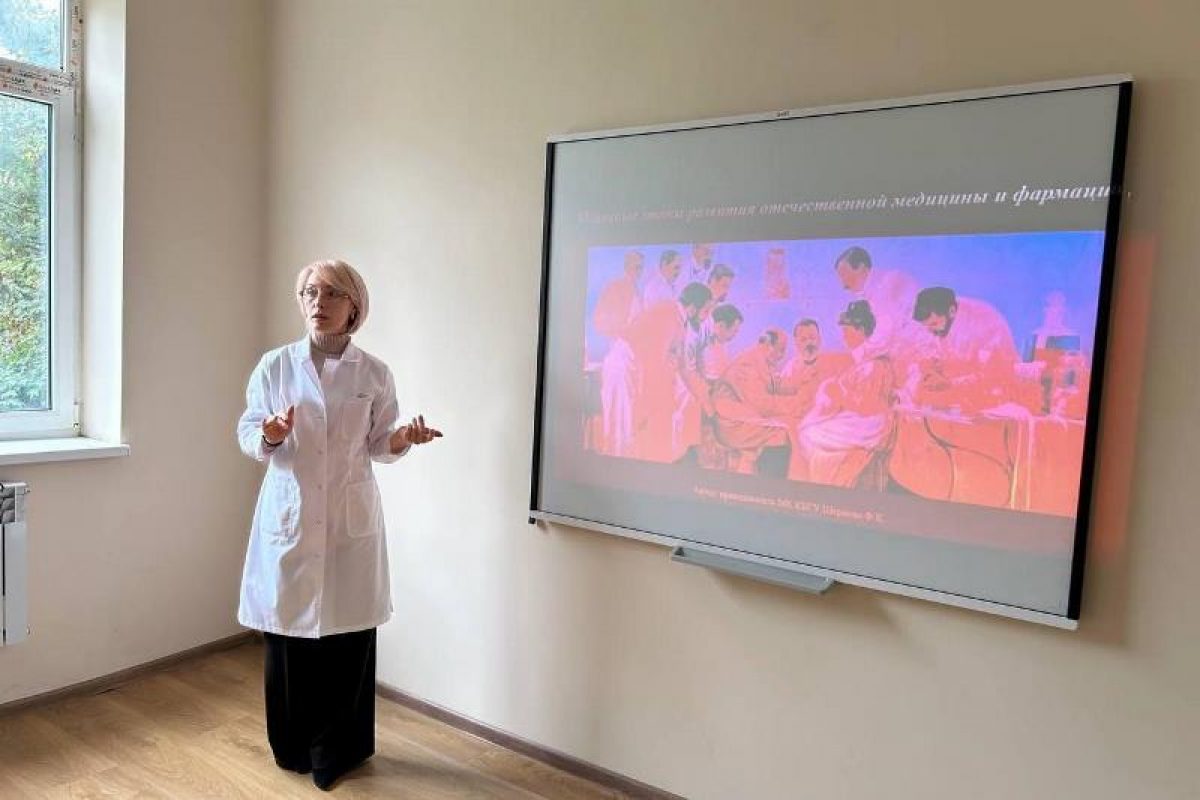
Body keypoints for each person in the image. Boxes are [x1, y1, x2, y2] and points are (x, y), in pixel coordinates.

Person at [236, 259, 442, 791]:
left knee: (347, 639)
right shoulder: (275, 366)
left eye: (331, 293)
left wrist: (402, 439)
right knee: (289, 639)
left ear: (354, 306)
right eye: (309, 292)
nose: (318, 302)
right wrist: (272, 433)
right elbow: (248, 433)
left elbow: (379, 443)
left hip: (349, 521)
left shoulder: (373, 373)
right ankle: (292, 748)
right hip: (291, 515)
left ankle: (338, 752)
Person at [600, 282, 713, 461]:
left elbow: (683, 366)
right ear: (693, 307)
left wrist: (704, 398)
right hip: (624, 366)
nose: (706, 318)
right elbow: (655, 365)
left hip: (636, 367)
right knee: (622, 430)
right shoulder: (669, 315)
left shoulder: (679, 321)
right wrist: (651, 405)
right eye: (705, 311)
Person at [791, 301, 896, 487]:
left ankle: (827, 481)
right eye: (803, 339)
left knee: (809, 431)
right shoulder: (859, 358)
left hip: (871, 422)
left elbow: (866, 404)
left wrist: (837, 393)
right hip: (860, 415)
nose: (844, 336)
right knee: (807, 428)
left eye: (847, 331)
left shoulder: (873, 360)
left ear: (861, 330)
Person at [908, 286, 1019, 412]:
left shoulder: (983, 324)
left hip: (995, 399)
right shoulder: (941, 321)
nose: (931, 331)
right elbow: (932, 352)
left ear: (951, 312)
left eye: (934, 324)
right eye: (927, 326)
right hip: (960, 396)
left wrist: (950, 383)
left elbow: (993, 377)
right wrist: (929, 368)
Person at [711, 328, 793, 473]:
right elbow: (760, 404)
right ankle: (770, 482)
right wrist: (793, 406)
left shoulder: (761, 361)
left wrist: (798, 389)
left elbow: (774, 384)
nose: (782, 356)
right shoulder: (747, 364)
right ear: (768, 345)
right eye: (780, 350)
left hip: (742, 418)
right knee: (781, 433)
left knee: (786, 426)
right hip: (731, 424)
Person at [833, 245, 919, 359]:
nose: (843, 284)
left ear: (862, 268)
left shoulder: (888, 283)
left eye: (845, 275)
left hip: (918, 351)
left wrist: (856, 356)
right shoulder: (864, 296)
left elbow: (885, 332)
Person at [776, 319, 852, 418]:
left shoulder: (833, 364)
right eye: (803, 339)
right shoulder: (790, 369)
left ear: (819, 340)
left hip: (830, 418)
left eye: (812, 338)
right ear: (796, 344)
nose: (809, 343)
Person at [592, 250, 644, 340]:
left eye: (641, 268)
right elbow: (600, 319)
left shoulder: (637, 291)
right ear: (627, 267)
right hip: (619, 341)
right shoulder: (614, 287)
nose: (640, 271)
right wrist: (617, 333)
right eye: (637, 267)